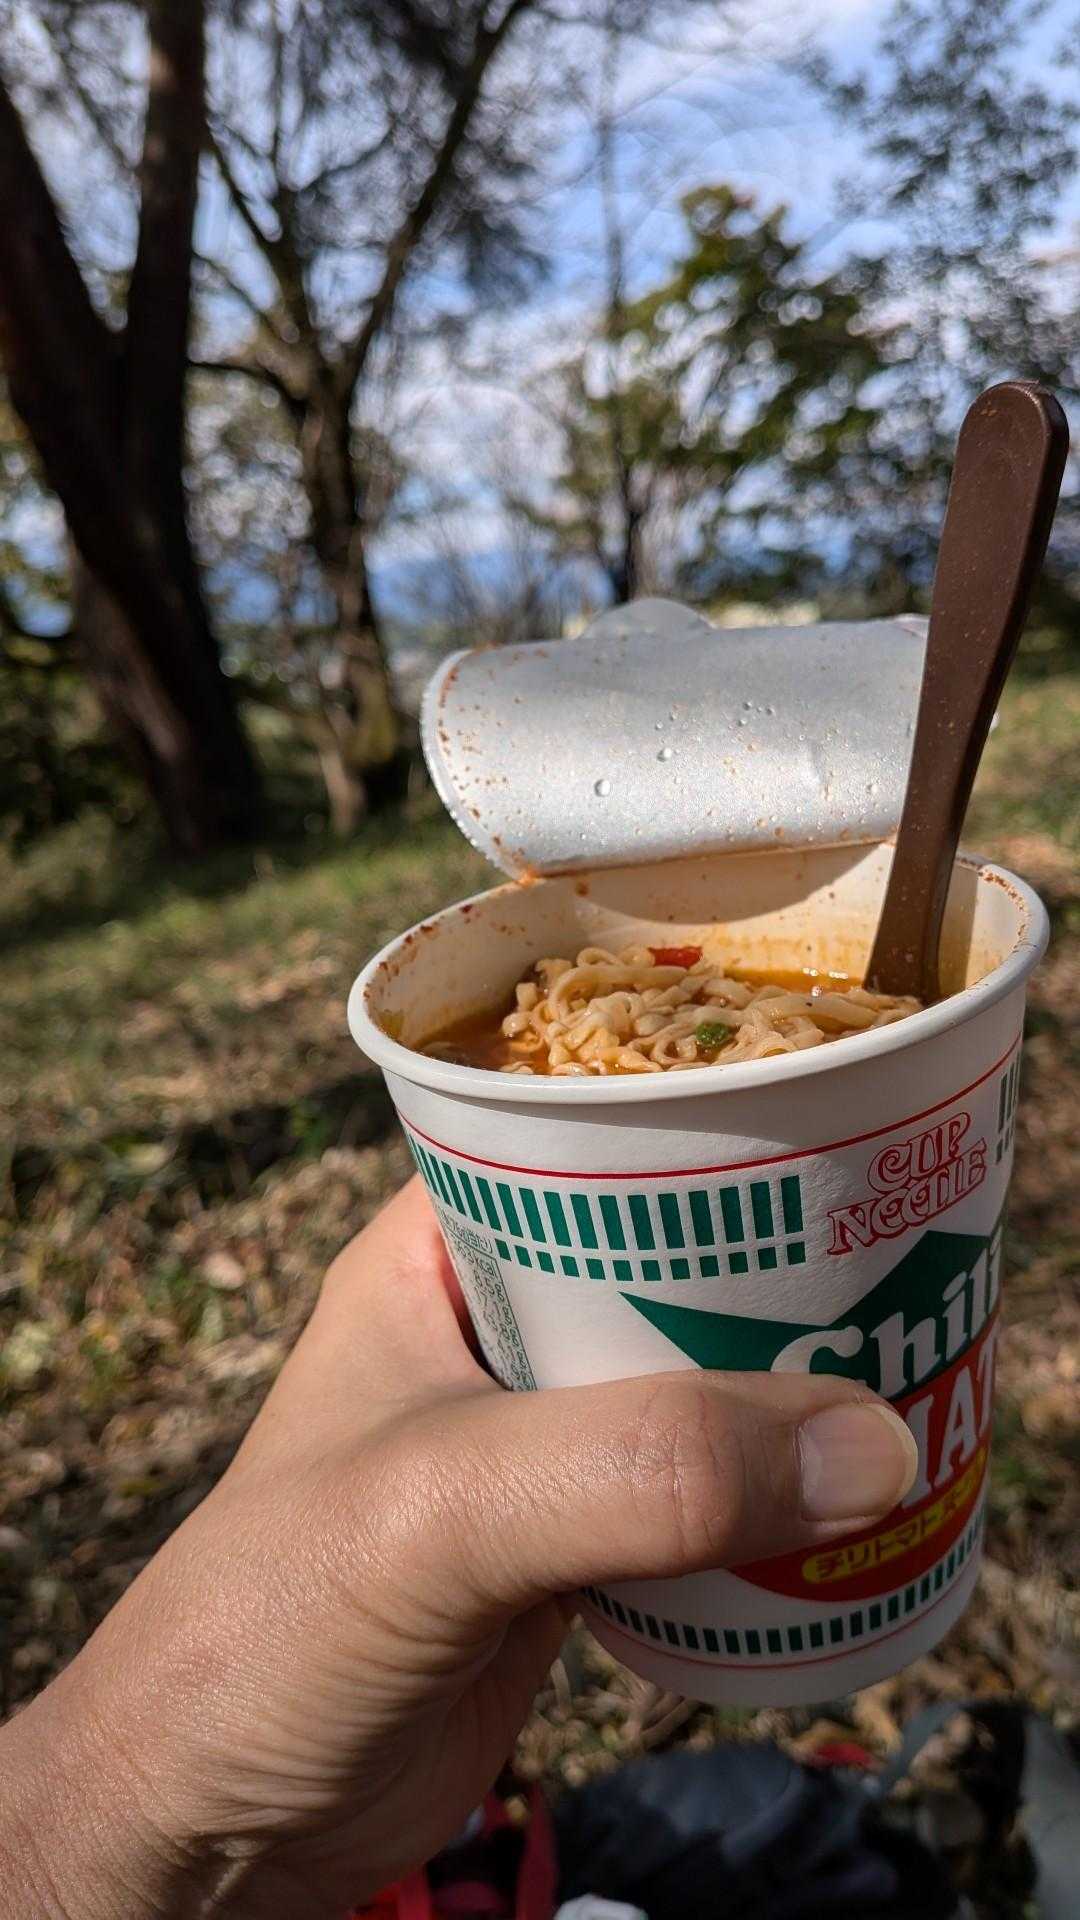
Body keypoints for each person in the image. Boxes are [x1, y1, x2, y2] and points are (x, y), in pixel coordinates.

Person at [0, 1178, 917, 1918]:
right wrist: (140, 1819)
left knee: (771, 1803)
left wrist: (162, 1834)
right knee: (787, 1819)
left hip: (423, 1857)